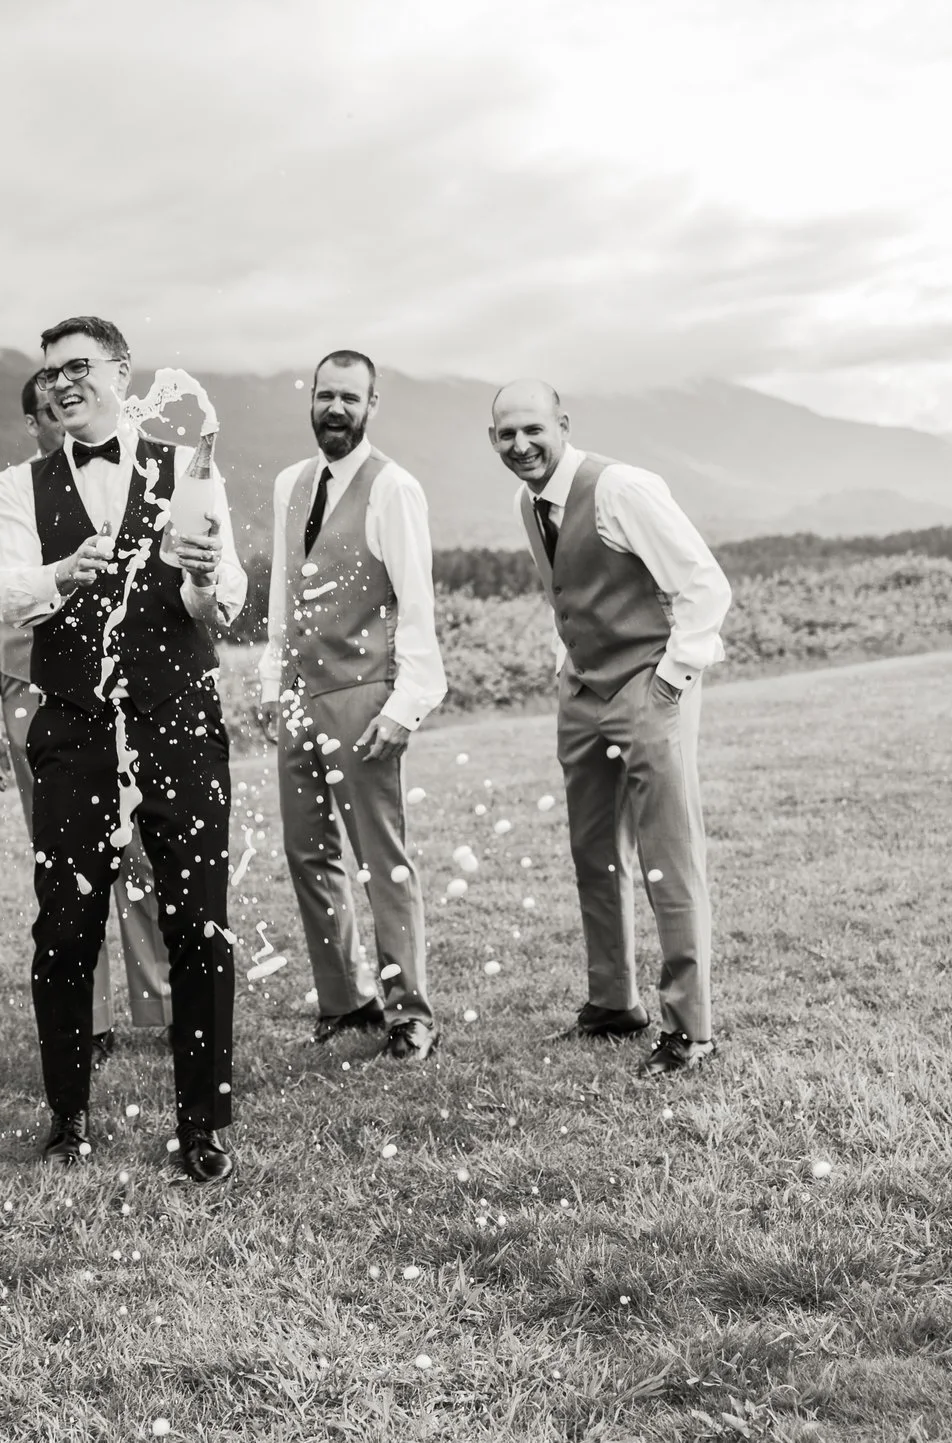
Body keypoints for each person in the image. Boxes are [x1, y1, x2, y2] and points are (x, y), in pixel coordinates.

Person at [0, 316, 246, 1182]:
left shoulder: (191, 467)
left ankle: (201, 1120)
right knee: (65, 927)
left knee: (198, 922)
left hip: (179, 719)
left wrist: (201, 575)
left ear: (123, 373)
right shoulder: (11, 490)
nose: (60, 384)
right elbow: (3, 596)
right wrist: (61, 575)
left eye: (78, 367)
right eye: (49, 372)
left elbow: (224, 603)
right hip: (76, 731)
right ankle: (67, 1116)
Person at [487, 381, 731, 1077]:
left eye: (533, 429)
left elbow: (704, 586)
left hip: (649, 686)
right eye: (505, 435)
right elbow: (564, 587)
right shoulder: (525, 503)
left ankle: (690, 1029)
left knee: (669, 857)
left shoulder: (623, 487)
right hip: (583, 690)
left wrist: (670, 681)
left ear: (562, 424)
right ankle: (612, 1003)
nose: (520, 445)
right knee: (594, 851)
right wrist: (568, 664)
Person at [0, 377, 173, 1057]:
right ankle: (92, 1020)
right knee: (67, 862)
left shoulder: (136, 476)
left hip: (124, 691)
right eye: (52, 412)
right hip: (38, 694)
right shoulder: (9, 493)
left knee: (142, 849)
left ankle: (160, 1004)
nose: (68, 420)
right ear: (34, 422)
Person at [258, 350, 449, 1060]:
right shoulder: (290, 484)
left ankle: (411, 1012)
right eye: (325, 395)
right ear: (310, 399)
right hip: (300, 697)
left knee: (381, 857)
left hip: (366, 695)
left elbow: (418, 606)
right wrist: (272, 682)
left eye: (350, 397)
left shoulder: (394, 488)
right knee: (306, 851)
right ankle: (347, 999)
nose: (335, 408)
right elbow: (283, 588)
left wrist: (406, 706)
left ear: (373, 405)